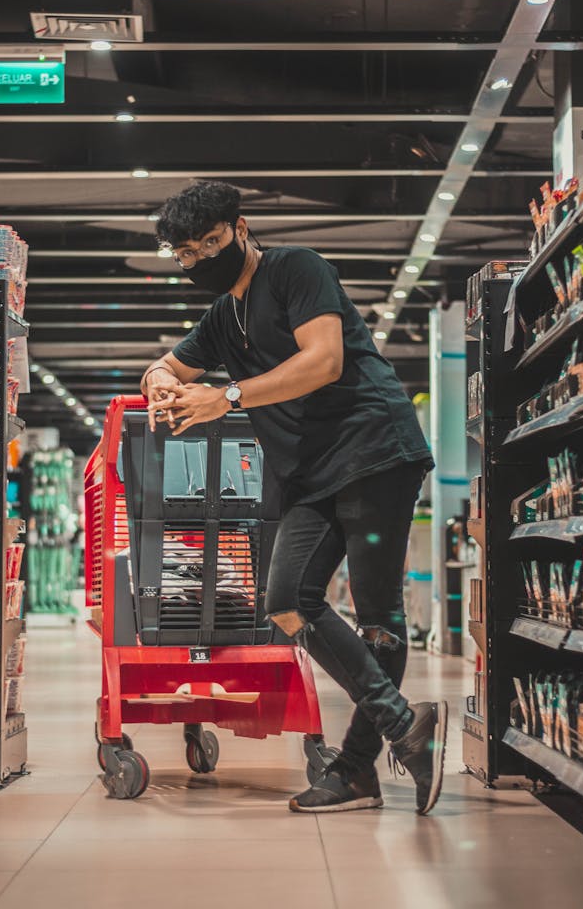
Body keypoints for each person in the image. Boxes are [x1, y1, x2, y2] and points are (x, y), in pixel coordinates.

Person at [141, 182, 446, 815]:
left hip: (372, 454)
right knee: (285, 602)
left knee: (379, 616)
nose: (201, 258)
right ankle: (402, 724)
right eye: (186, 253)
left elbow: (325, 360)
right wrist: (162, 386)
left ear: (241, 228)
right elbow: (165, 365)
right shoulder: (223, 317)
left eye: (212, 242)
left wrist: (223, 398)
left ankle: (357, 771)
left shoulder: (294, 268)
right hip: (308, 475)